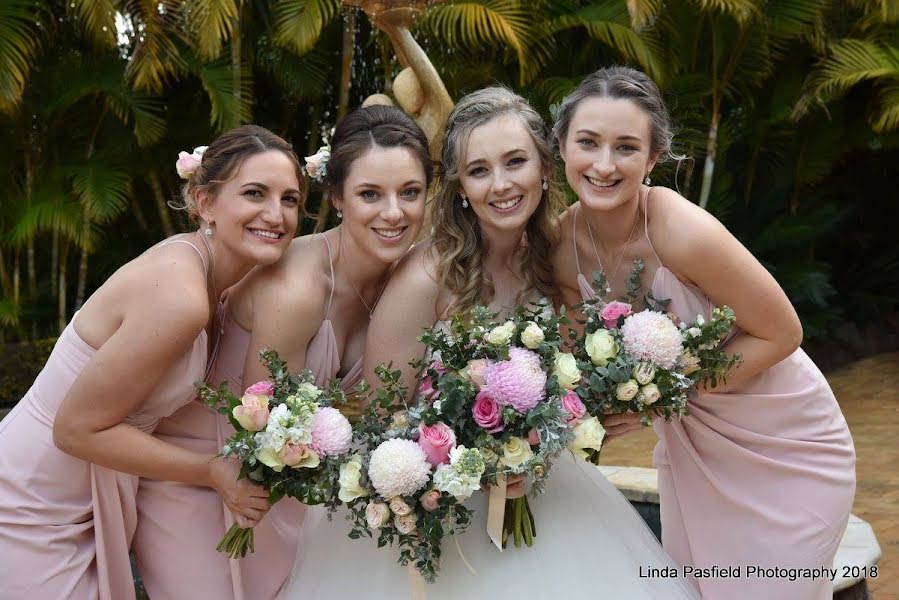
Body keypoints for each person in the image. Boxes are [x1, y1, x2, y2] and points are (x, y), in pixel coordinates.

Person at [279, 87, 700, 599]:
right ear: (460, 186)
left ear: (545, 168)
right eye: (479, 170)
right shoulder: (426, 279)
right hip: (445, 516)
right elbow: (378, 421)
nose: (501, 184)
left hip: (548, 492)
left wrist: (560, 433)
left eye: (515, 162)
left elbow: (575, 381)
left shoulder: (556, 258)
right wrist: (472, 461)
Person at [551, 66, 856, 600]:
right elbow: (588, 364)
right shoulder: (560, 246)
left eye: (625, 147)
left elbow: (783, 332)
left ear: (652, 158)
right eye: (588, 143)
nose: (604, 164)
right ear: (562, 147)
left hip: (786, 446)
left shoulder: (683, 232)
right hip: (693, 453)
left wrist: (662, 399)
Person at [133, 105, 431, 600]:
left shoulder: (400, 280)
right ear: (337, 197)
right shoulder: (297, 289)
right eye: (370, 194)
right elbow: (261, 428)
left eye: (411, 193)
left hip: (282, 488)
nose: (394, 213)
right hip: (205, 480)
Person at [0, 125, 304, 600]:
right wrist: (211, 471)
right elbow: (75, 429)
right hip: (35, 500)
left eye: (289, 199)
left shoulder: (220, 282)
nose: (276, 214)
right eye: (254, 193)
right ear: (205, 203)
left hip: (88, 495)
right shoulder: (180, 296)